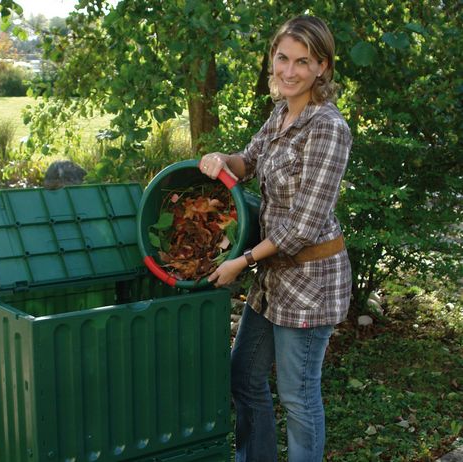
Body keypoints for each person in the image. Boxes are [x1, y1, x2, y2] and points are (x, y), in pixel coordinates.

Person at [198, 15, 352, 462]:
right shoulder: (282, 114)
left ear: (322, 66)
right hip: (272, 278)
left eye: (303, 62)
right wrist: (217, 159)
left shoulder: (327, 128)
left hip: (309, 284)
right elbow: (246, 161)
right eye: (282, 58)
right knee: (244, 377)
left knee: (298, 396)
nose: (289, 70)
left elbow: (303, 226)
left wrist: (241, 261)